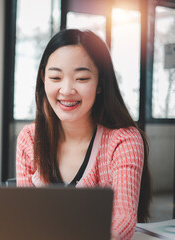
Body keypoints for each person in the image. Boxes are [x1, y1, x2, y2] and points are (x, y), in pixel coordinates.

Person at [16, 29, 151, 240]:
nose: (67, 89)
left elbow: (123, 219)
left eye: (81, 78)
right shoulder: (29, 138)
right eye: (55, 77)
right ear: (43, 78)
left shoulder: (123, 141)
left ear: (100, 84)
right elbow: (24, 217)